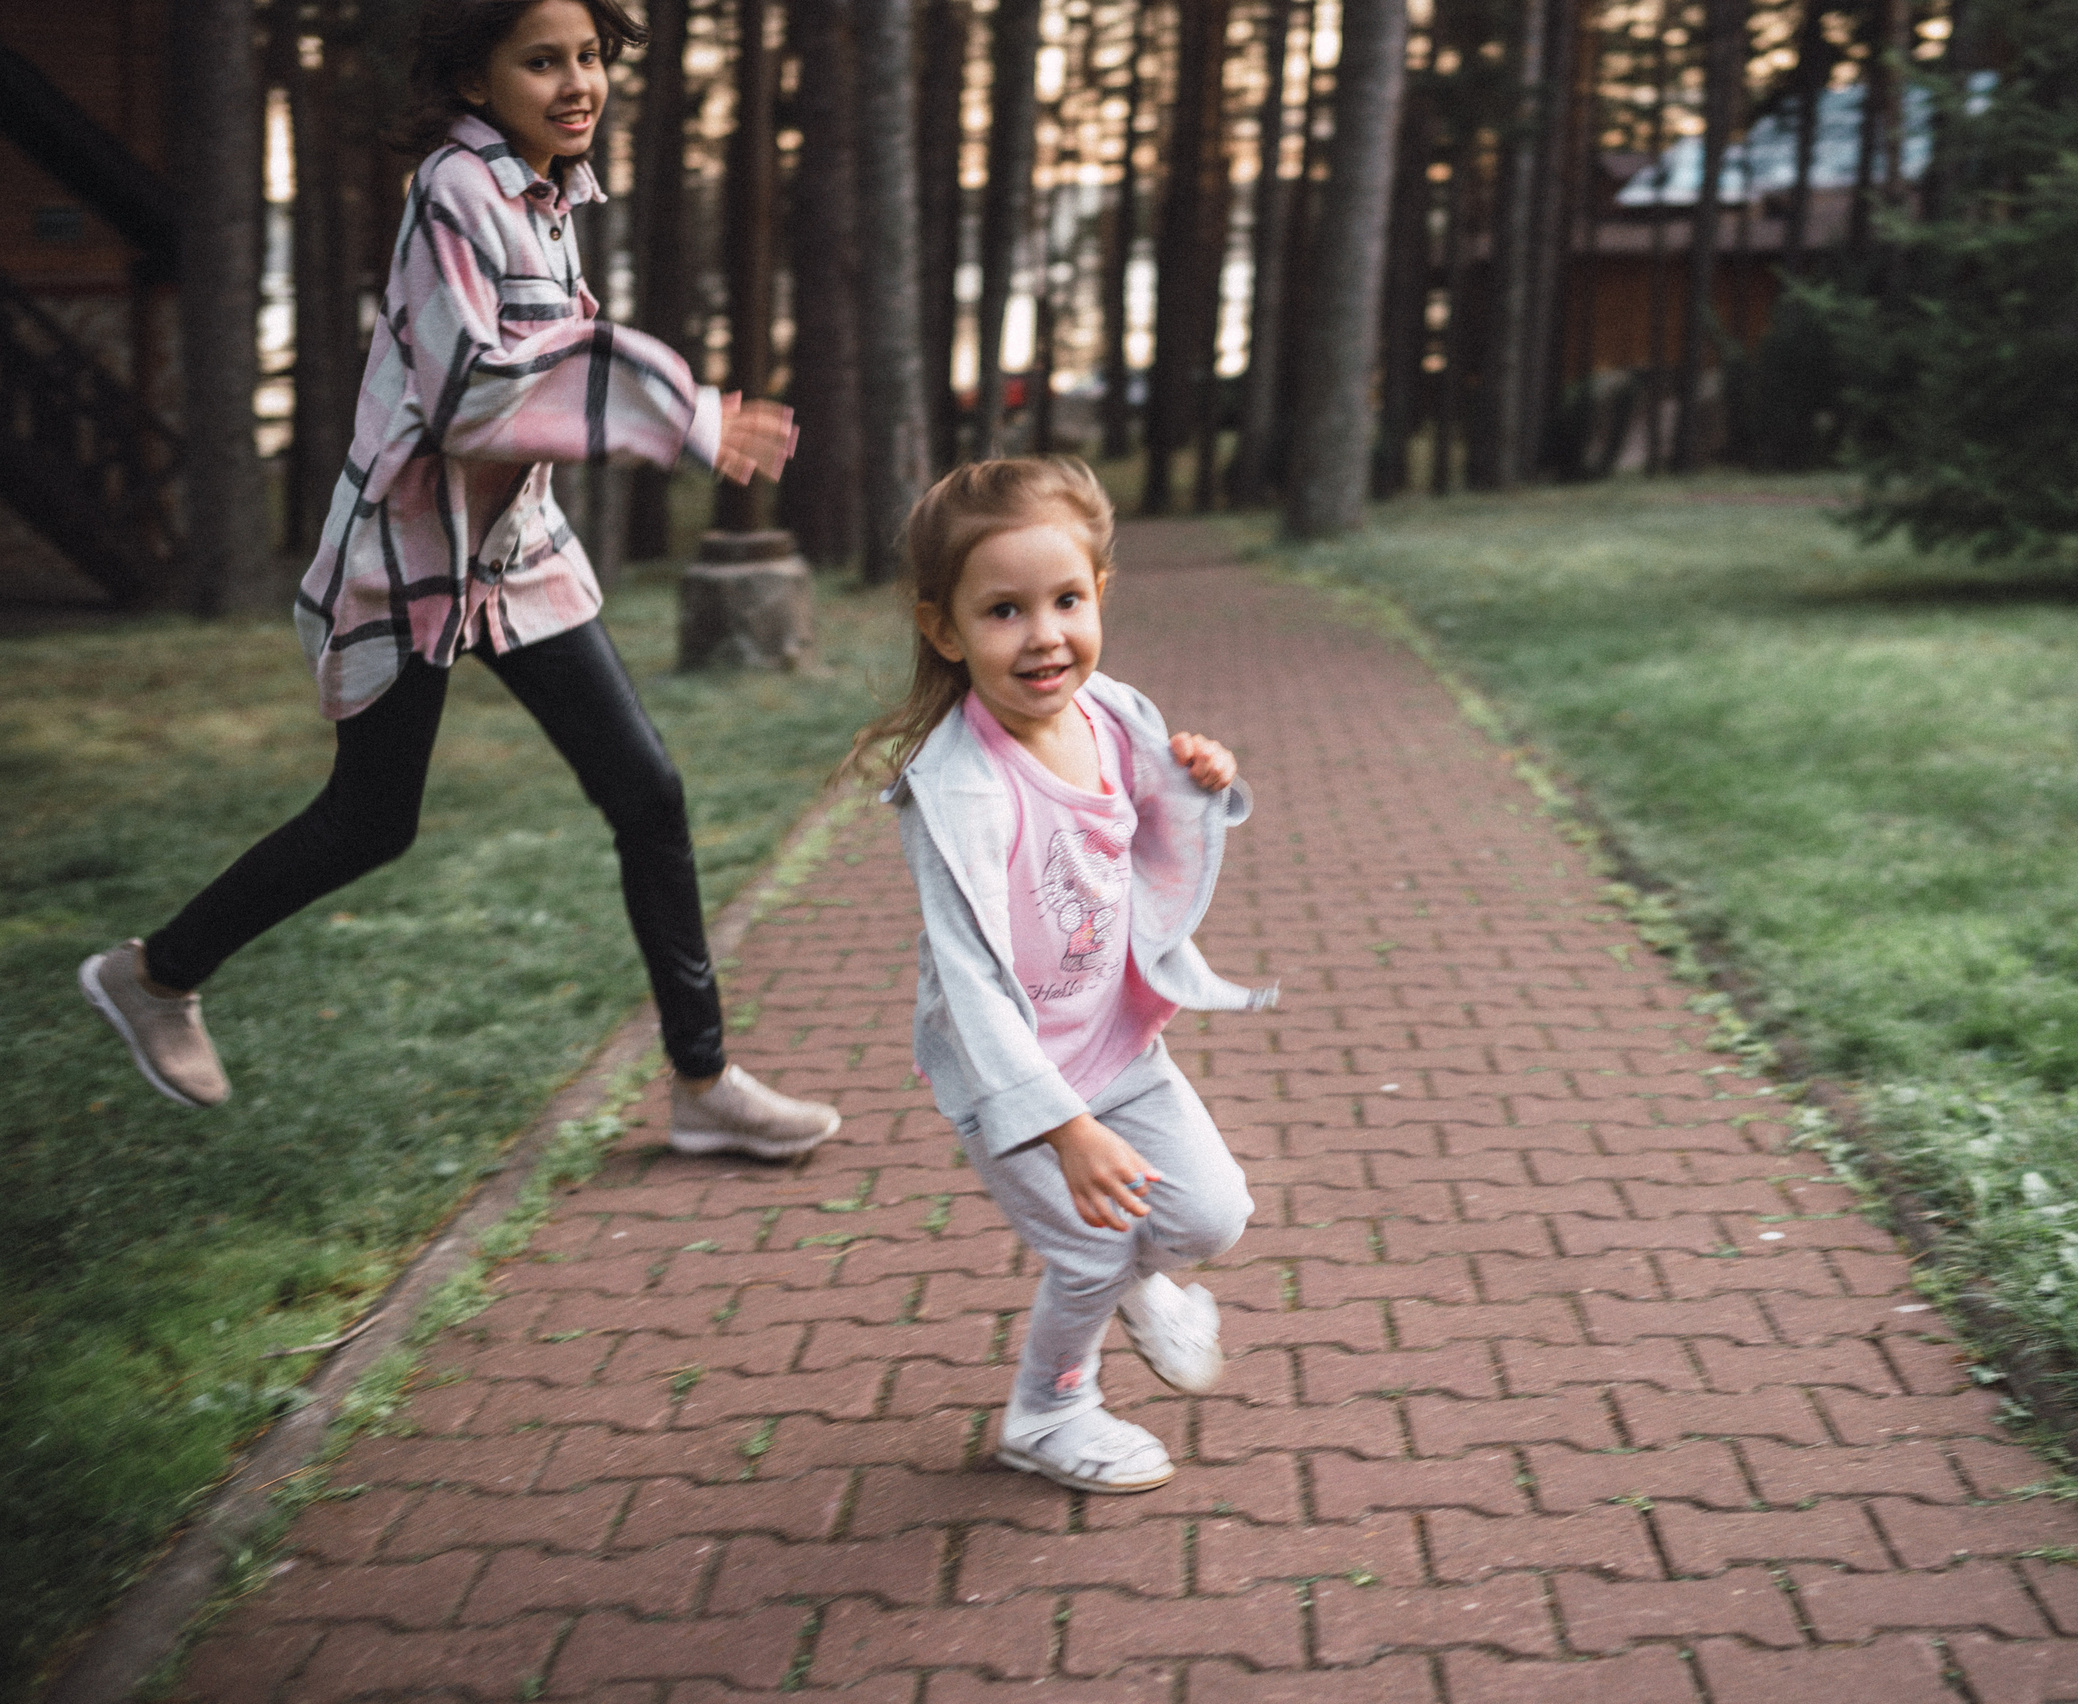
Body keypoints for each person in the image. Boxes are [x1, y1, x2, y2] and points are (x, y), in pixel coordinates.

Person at [77, 0, 841, 1162]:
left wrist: (666, 409)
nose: (577, 81)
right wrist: (675, 408)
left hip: (513, 559)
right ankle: (153, 975)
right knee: (369, 822)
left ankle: (701, 1081)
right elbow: (471, 389)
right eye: (543, 62)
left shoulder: (549, 195)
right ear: (477, 83)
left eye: (589, 57)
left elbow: (530, 374)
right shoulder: (455, 188)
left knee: (649, 793)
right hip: (407, 562)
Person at [852, 458, 1274, 1493]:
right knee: (1091, 1252)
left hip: (1116, 1040)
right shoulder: (957, 792)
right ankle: (1047, 1413)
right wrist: (1062, 1127)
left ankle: (1141, 1287)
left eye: (1066, 601)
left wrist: (1202, 774)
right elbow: (970, 988)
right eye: (1003, 610)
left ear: (1098, 597)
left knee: (1212, 1217)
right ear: (945, 631)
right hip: (1016, 1085)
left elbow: (1151, 801)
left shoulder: (1110, 711)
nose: (1044, 634)